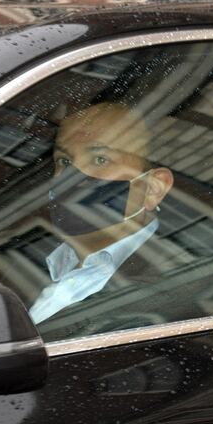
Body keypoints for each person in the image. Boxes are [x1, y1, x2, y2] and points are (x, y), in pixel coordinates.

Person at [29, 102, 175, 335]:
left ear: (152, 189)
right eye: (65, 161)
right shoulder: (34, 259)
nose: (70, 179)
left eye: (100, 160)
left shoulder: (171, 295)